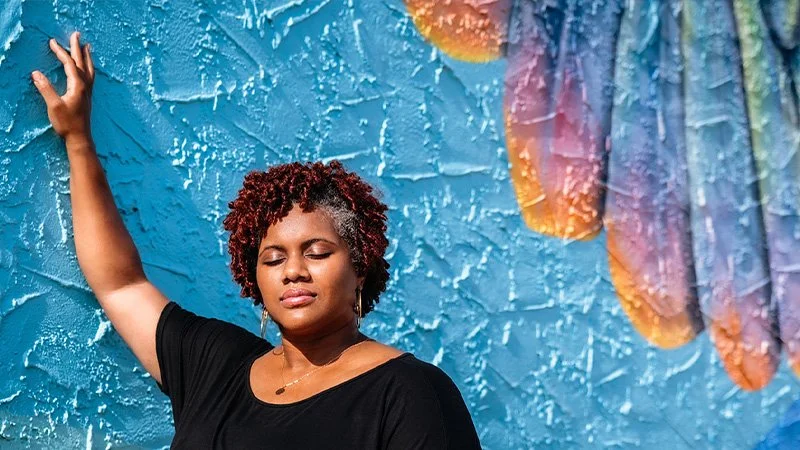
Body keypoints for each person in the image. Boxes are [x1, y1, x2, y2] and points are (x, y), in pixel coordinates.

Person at [30, 31, 482, 449]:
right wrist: (78, 140)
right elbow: (121, 283)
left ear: (360, 264)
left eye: (318, 252)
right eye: (271, 259)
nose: (293, 271)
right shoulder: (215, 366)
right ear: (254, 279)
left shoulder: (409, 391)